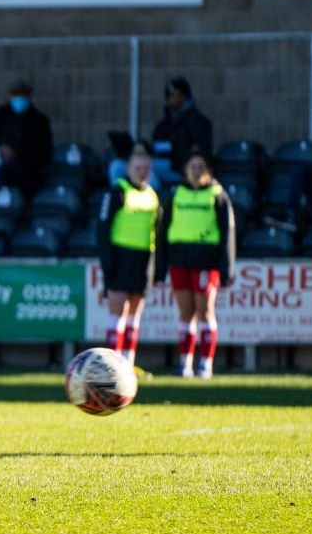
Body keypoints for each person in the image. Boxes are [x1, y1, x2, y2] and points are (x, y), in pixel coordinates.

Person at [156, 150, 235, 379]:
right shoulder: (177, 194)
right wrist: (161, 265)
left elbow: (227, 232)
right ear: (186, 170)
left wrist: (226, 267)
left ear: (208, 170)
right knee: (185, 312)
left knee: (205, 311)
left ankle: (206, 364)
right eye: (193, 166)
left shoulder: (217, 195)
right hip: (180, 259)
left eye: (201, 166)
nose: (197, 171)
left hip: (205, 261)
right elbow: (163, 229)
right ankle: (185, 364)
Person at [97, 144, 162, 369]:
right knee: (118, 311)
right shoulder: (117, 191)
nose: (141, 171)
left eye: (145, 168)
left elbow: (157, 232)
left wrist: (155, 267)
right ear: (128, 168)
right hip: (120, 256)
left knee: (135, 314)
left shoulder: (153, 196)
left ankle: (127, 363)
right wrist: (108, 262)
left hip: (143, 258)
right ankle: (111, 364)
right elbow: (103, 227)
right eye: (138, 167)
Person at [110, 78, 212, 188]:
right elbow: (156, 144)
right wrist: (143, 148)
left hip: (179, 168)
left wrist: (177, 152)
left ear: (183, 96)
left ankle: (151, 200)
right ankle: (120, 197)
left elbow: (199, 151)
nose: (169, 99)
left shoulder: (198, 121)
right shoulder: (165, 123)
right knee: (117, 166)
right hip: (159, 161)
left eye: (173, 95)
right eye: (168, 95)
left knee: (147, 168)